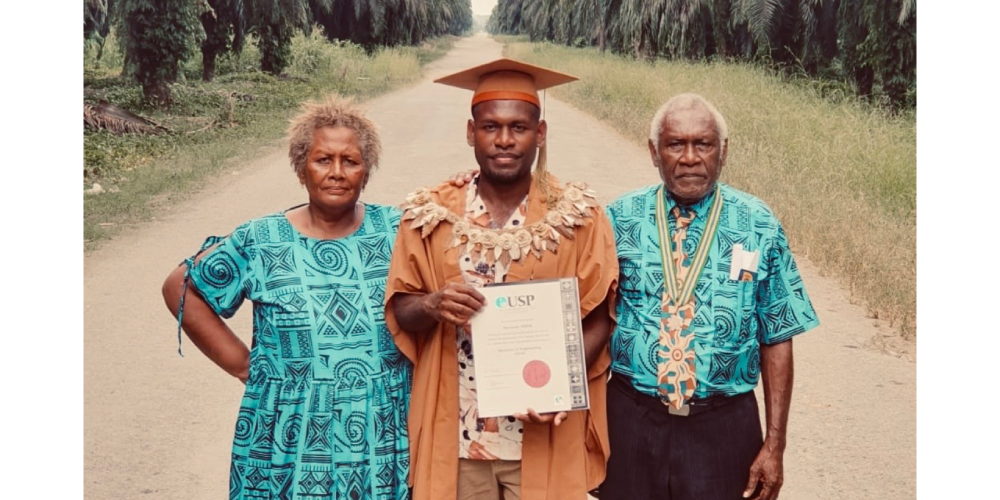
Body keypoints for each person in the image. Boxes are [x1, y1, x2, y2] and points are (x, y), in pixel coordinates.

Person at [383, 58, 619, 500]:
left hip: (544, 433)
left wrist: (560, 386)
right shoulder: (432, 213)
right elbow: (401, 308)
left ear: (540, 133)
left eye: (519, 127)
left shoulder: (576, 215)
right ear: (471, 132)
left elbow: (600, 315)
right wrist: (433, 304)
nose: (504, 140)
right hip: (457, 438)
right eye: (490, 127)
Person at [161, 95, 412, 500]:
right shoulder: (263, 240)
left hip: (380, 428)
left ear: (366, 171)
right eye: (322, 160)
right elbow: (181, 286)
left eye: (350, 161)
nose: (336, 172)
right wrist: (242, 364)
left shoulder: (397, 230)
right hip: (287, 432)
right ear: (301, 168)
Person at [599, 93, 820, 500]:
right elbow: (590, 318)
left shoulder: (757, 223)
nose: (689, 158)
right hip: (632, 422)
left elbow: (777, 335)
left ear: (724, 151)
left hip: (723, 427)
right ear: (654, 151)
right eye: (675, 144)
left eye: (703, 144)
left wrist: (775, 445)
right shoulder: (618, 219)